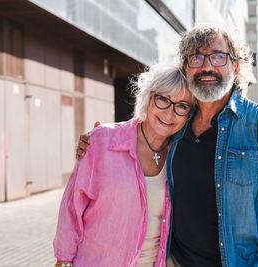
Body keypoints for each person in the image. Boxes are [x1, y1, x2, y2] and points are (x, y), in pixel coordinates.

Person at [77, 25, 258, 267]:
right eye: (196, 57)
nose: (206, 66)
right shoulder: (177, 122)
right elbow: (142, 129)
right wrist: (98, 138)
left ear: (235, 67)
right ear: (185, 68)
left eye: (217, 56)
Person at [53, 64, 194, 267]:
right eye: (163, 99)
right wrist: (63, 259)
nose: (169, 113)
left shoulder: (181, 155)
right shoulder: (103, 140)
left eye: (182, 106)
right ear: (148, 97)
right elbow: (71, 206)